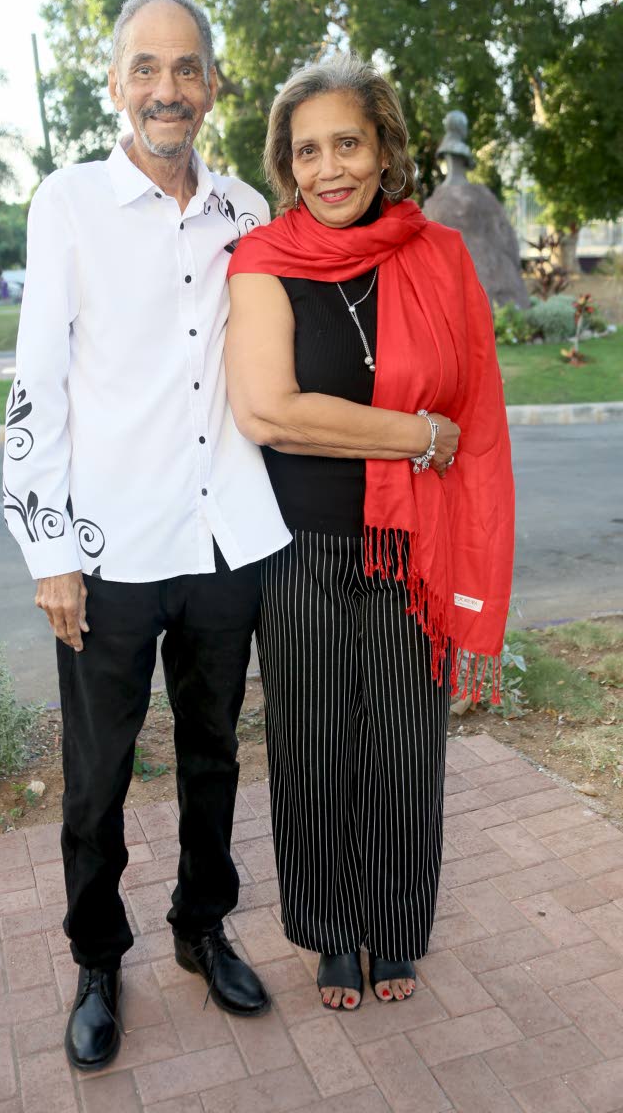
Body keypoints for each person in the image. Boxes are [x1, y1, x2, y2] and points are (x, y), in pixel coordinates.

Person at [2, 0, 290, 1071]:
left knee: (215, 754)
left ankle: (198, 926)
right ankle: (93, 956)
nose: (166, 88)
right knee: (98, 774)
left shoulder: (247, 216)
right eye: (145, 69)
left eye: (186, 69)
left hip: (224, 541)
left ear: (212, 84)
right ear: (116, 83)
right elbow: (37, 386)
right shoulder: (66, 202)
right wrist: (50, 552)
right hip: (108, 550)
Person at [225, 55, 514, 1013]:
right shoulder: (265, 261)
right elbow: (270, 412)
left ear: (384, 148)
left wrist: (443, 441)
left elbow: (476, 412)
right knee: (312, 745)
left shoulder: (437, 258)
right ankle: (327, 931)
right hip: (300, 550)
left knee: (403, 743)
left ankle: (392, 928)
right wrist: (418, 435)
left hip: (413, 551)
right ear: (286, 165)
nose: (328, 168)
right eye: (306, 151)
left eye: (346, 143)